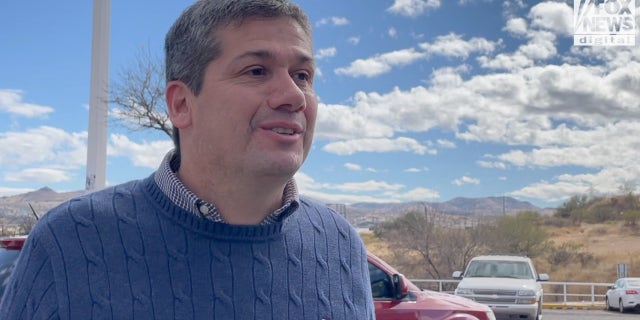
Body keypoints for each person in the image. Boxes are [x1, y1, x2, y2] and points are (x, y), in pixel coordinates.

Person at [0, 0, 375, 319]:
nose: (293, 96)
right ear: (181, 104)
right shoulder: (69, 243)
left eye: (303, 75)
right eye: (257, 71)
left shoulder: (340, 246)